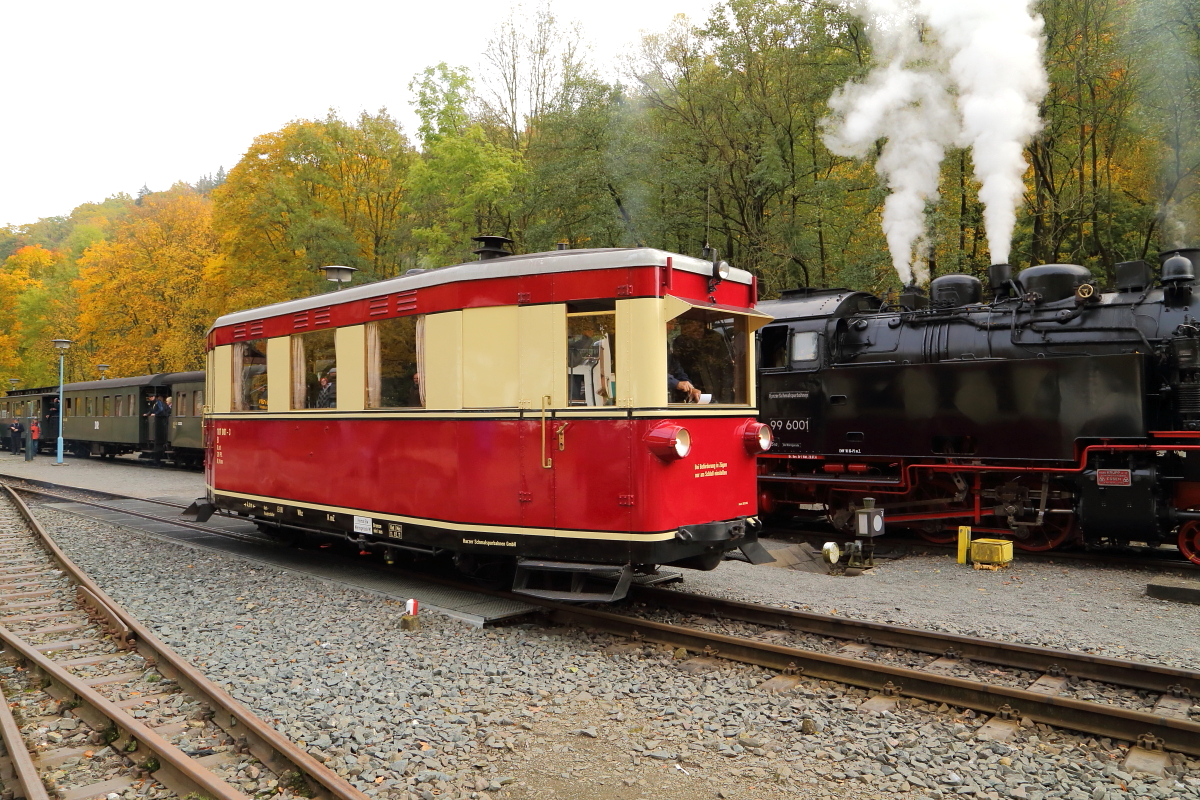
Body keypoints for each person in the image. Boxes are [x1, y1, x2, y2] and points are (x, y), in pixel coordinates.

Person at [673, 317, 735, 403]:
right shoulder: (680, 341)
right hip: (691, 386)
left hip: (715, 384)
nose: (698, 331)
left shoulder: (714, 338)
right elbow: (677, 367)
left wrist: (726, 396)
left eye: (700, 327)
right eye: (693, 330)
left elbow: (726, 367)